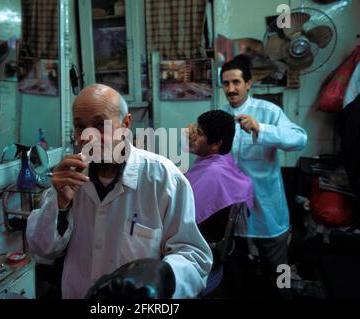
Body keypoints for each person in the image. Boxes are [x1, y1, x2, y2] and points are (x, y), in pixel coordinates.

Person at [26, 84, 212, 299]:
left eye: (99, 125)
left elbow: (194, 257)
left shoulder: (164, 179)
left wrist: (162, 277)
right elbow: (42, 249)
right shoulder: (70, 179)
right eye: (80, 127)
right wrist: (58, 204)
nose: (88, 137)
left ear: (125, 124)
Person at [219, 55, 307, 297]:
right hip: (234, 209)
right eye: (226, 84)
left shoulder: (268, 112)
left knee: (278, 269)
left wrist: (261, 129)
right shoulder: (221, 116)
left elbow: (300, 139)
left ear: (249, 84)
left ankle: (285, 295)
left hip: (266, 207)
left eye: (236, 82)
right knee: (236, 269)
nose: (231, 89)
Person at [185, 110, 253, 295]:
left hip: (199, 255)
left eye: (199, 133)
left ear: (216, 143)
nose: (193, 136)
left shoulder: (213, 173)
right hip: (212, 254)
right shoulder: (220, 161)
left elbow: (183, 212)